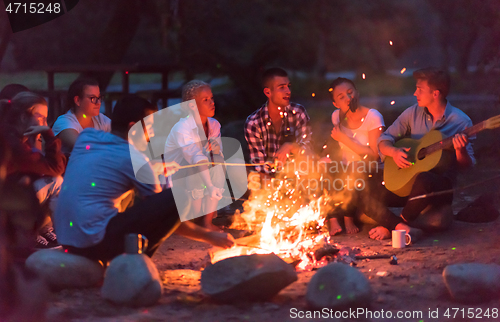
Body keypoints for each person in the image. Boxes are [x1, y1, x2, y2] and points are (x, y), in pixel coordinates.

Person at [53, 95, 234, 263]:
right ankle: (138, 262)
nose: (152, 134)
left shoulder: (87, 136)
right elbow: (159, 214)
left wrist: (153, 168)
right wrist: (209, 236)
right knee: (179, 195)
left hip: (68, 239)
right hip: (95, 244)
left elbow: (108, 165)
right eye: (150, 127)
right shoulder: (135, 158)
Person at [368, 67, 474, 240]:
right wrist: (394, 152)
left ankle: (394, 225)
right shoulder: (412, 113)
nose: (415, 93)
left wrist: (460, 150)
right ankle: (399, 225)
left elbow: (467, 166)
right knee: (365, 186)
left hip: (437, 189)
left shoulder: (461, 121)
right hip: (407, 184)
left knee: (425, 178)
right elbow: (384, 139)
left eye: (420, 89)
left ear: (436, 94)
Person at [1, 92, 66, 249]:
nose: (44, 123)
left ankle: (43, 229)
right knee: (56, 181)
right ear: (23, 117)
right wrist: (48, 135)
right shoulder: (13, 144)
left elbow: (49, 166)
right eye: (41, 117)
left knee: (50, 180)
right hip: (6, 204)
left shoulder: (18, 138)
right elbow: (55, 168)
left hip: (11, 198)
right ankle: (54, 233)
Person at [323, 78, 385, 236]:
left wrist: (344, 139)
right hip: (344, 169)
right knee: (325, 166)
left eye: (350, 93)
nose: (348, 99)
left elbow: (374, 155)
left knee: (352, 169)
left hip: (369, 169)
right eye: (341, 97)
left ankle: (348, 217)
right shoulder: (336, 117)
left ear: (357, 93)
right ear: (335, 103)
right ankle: (333, 218)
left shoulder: (373, 117)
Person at [164, 80, 225, 231]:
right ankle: (196, 217)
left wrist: (216, 149)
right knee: (194, 166)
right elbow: (195, 158)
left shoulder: (214, 125)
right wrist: (210, 186)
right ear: (191, 105)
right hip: (180, 177)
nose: (212, 102)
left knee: (217, 160)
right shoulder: (182, 127)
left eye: (211, 98)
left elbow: (216, 155)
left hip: (202, 173)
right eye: (205, 100)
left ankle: (207, 221)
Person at [245, 67, 313, 181]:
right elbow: (260, 168)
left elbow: (309, 149)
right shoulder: (254, 123)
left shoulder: (298, 113)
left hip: (300, 180)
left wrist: (291, 146)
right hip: (270, 184)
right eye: (282, 87)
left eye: (288, 86)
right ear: (268, 92)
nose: (288, 91)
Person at [52, 77, 111, 155]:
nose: (98, 102)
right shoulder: (64, 122)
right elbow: (81, 145)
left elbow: (121, 140)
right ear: (78, 100)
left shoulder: (102, 120)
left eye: (99, 97)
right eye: (92, 98)